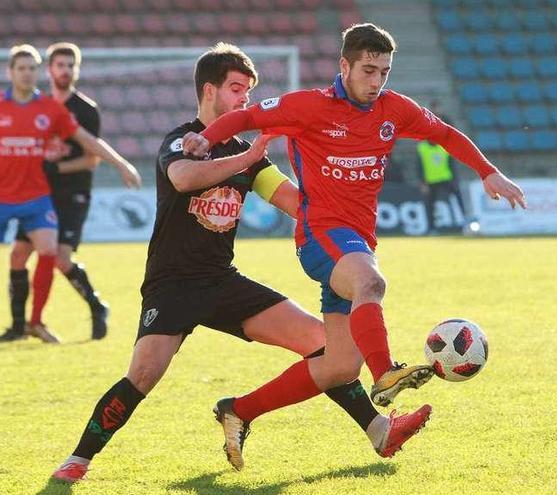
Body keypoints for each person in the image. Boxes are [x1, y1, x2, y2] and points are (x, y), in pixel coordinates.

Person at [50, 43, 431, 483]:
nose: (245, 101)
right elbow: (183, 177)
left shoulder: (250, 157)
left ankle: (378, 430)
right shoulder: (182, 140)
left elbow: (295, 202)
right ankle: (78, 459)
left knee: (321, 342)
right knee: (143, 375)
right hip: (172, 286)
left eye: (249, 91)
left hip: (222, 282)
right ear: (208, 90)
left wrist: (339, 188)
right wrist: (247, 158)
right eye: (236, 90)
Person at [182, 23, 526, 468]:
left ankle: (239, 410)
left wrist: (486, 171)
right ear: (344, 66)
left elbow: (443, 134)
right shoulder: (308, 106)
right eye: (368, 70)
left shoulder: (393, 109)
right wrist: (205, 138)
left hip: (357, 240)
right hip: (321, 235)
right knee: (371, 282)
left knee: (339, 367)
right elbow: (246, 118)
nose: (376, 81)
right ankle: (384, 373)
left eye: (384, 71)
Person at [0, 44, 141, 345]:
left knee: (49, 251)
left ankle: (36, 322)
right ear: (11, 72)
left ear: (37, 72)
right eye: (21, 69)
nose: (27, 74)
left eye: (32, 68)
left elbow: (87, 140)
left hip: (37, 196)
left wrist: (121, 163)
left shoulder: (50, 109)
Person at [0, 42, 109, 344]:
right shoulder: (38, 106)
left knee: (61, 257)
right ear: (49, 70)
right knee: (18, 254)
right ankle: (19, 326)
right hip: (37, 194)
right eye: (60, 65)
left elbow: (90, 159)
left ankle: (97, 307)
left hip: (72, 193)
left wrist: (55, 168)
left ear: (77, 70)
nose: (65, 70)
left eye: (71, 65)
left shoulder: (86, 110)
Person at [416, 106, 466, 234]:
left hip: (446, 178)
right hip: (431, 180)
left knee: (458, 198)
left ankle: (466, 222)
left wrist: (455, 179)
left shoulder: (444, 146)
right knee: (430, 205)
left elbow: (451, 163)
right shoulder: (422, 148)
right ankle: (431, 228)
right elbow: (419, 166)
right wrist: (422, 182)